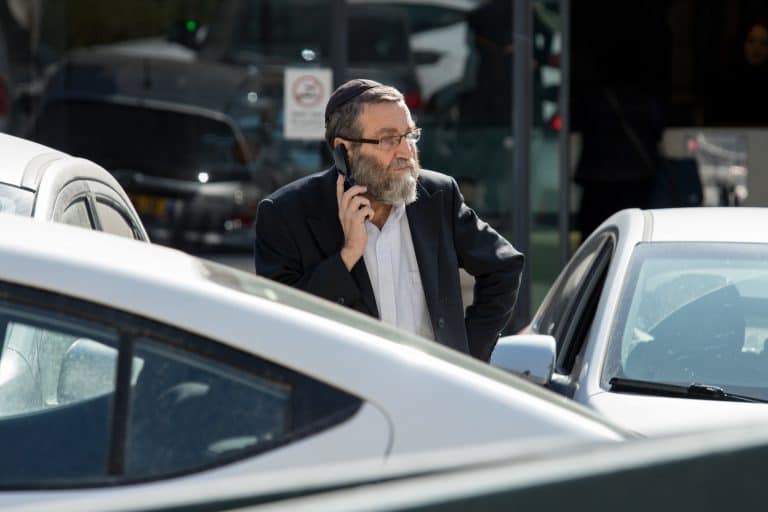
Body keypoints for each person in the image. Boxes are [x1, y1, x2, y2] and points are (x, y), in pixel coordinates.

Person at [254, 79, 524, 361]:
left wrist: (467, 355)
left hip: (433, 383)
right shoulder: (285, 214)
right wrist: (346, 256)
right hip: (345, 388)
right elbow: (281, 321)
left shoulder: (437, 195)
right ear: (344, 150)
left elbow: (504, 267)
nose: (406, 152)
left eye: (410, 135)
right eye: (388, 140)